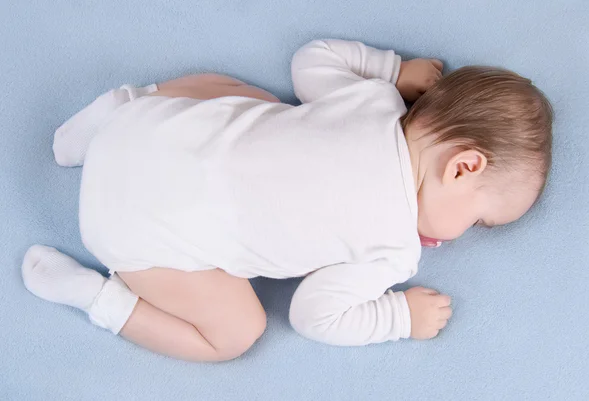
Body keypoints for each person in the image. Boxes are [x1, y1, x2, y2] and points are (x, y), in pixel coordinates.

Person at [21, 39, 553, 362]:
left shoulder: (372, 100)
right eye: (481, 218)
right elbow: (313, 316)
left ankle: (117, 109)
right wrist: (397, 317)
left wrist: (392, 70)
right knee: (235, 335)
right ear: (463, 166)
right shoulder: (391, 249)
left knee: (259, 105)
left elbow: (312, 57)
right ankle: (96, 297)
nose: (467, 232)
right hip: (129, 233)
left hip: (139, 132)